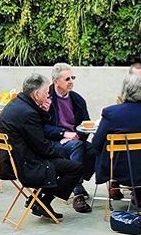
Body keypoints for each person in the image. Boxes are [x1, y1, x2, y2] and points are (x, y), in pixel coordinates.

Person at [0, 73, 84, 220]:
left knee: (65, 161)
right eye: (46, 93)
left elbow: (36, 134)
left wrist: (43, 111)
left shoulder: (16, 104)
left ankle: (39, 201)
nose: (48, 96)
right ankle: (43, 202)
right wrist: (62, 152)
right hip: (27, 164)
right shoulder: (27, 112)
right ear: (36, 94)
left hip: (15, 159)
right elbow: (42, 147)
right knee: (75, 167)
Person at [93, 74, 141, 207]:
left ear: (124, 90)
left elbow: (96, 142)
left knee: (102, 148)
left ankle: (114, 188)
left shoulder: (111, 112)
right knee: (140, 153)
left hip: (116, 170)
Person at [42, 63, 94, 213]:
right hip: (54, 141)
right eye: (67, 79)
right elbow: (42, 127)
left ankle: (75, 181)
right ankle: (77, 192)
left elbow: (86, 123)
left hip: (75, 139)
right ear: (56, 82)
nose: (71, 81)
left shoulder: (78, 99)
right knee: (77, 148)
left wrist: (79, 135)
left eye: (73, 77)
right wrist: (63, 134)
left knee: (95, 150)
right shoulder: (46, 98)